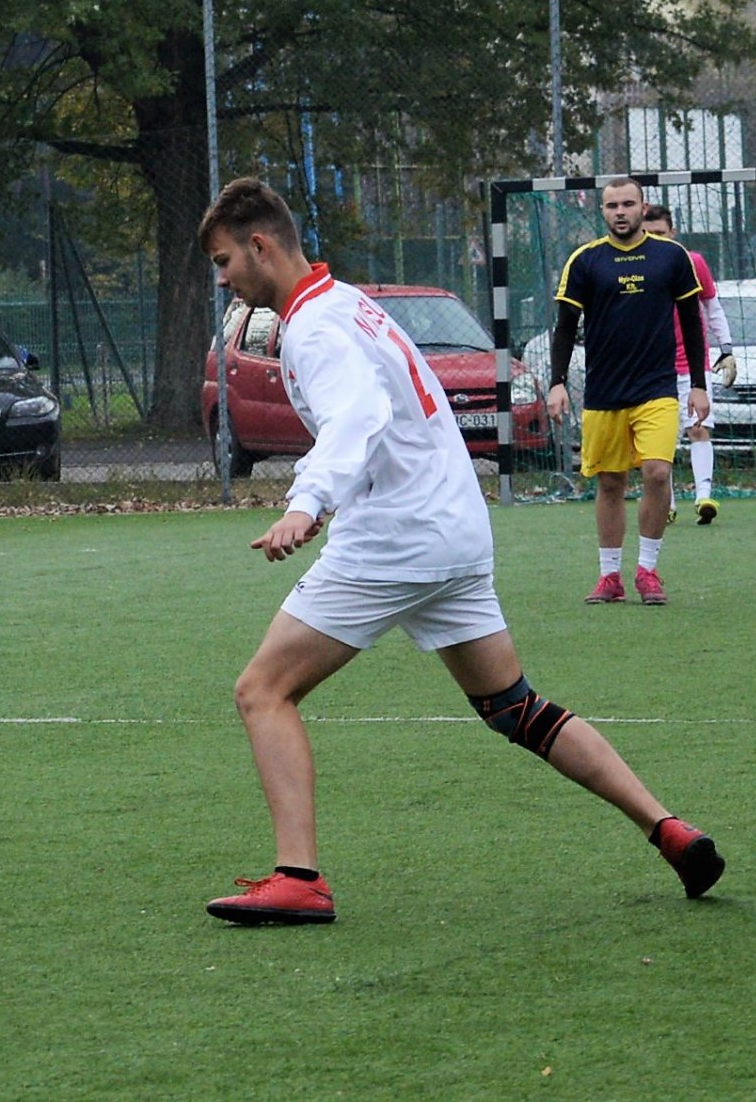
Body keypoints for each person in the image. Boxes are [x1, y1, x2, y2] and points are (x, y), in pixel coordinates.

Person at [195, 177, 723, 926]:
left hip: (397, 536)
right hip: (455, 528)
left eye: (224, 261)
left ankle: (299, 876)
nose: (223, 280)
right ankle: (669, 827)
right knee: (516, 707)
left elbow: (358, 416)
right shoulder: (349, 303)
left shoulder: (314, 328)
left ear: (260, 245)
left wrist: (306, 502)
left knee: (262, 691)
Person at [545, 177, 709, 606]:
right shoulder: (585, 261)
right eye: (612, 205)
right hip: (603, 391)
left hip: (656, 389)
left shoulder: (671, 257)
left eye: (628, 204)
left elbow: (692, 322)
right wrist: (557, 382)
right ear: (602, 211)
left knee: (657, 472)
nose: (620, 212)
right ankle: (609, 577)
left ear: (642, 207)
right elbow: (565, 328)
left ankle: (648, 570)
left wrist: (698, 384)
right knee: (611, 482)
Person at [640, 204, 736, 526]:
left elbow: (712, 306)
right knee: (660, 440)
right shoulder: (637, 267)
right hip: (652, 368)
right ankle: (665, 502)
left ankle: (703, 497)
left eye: (661, 234)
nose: (656, 240)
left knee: (698, 428)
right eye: (649, 235)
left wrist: (726, 349)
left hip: (691, 367)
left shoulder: (694, 263)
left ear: (673, 233)